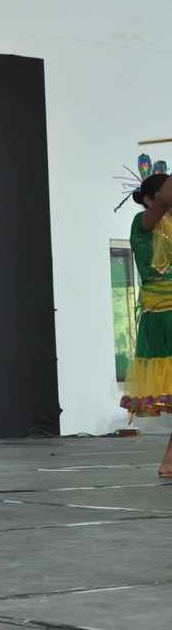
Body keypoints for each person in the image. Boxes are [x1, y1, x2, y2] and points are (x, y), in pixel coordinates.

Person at [121, 168, 172, 477]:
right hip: (162, 318)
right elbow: (166, 201)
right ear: (151, 200)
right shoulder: (143, 224)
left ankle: (170, 457)